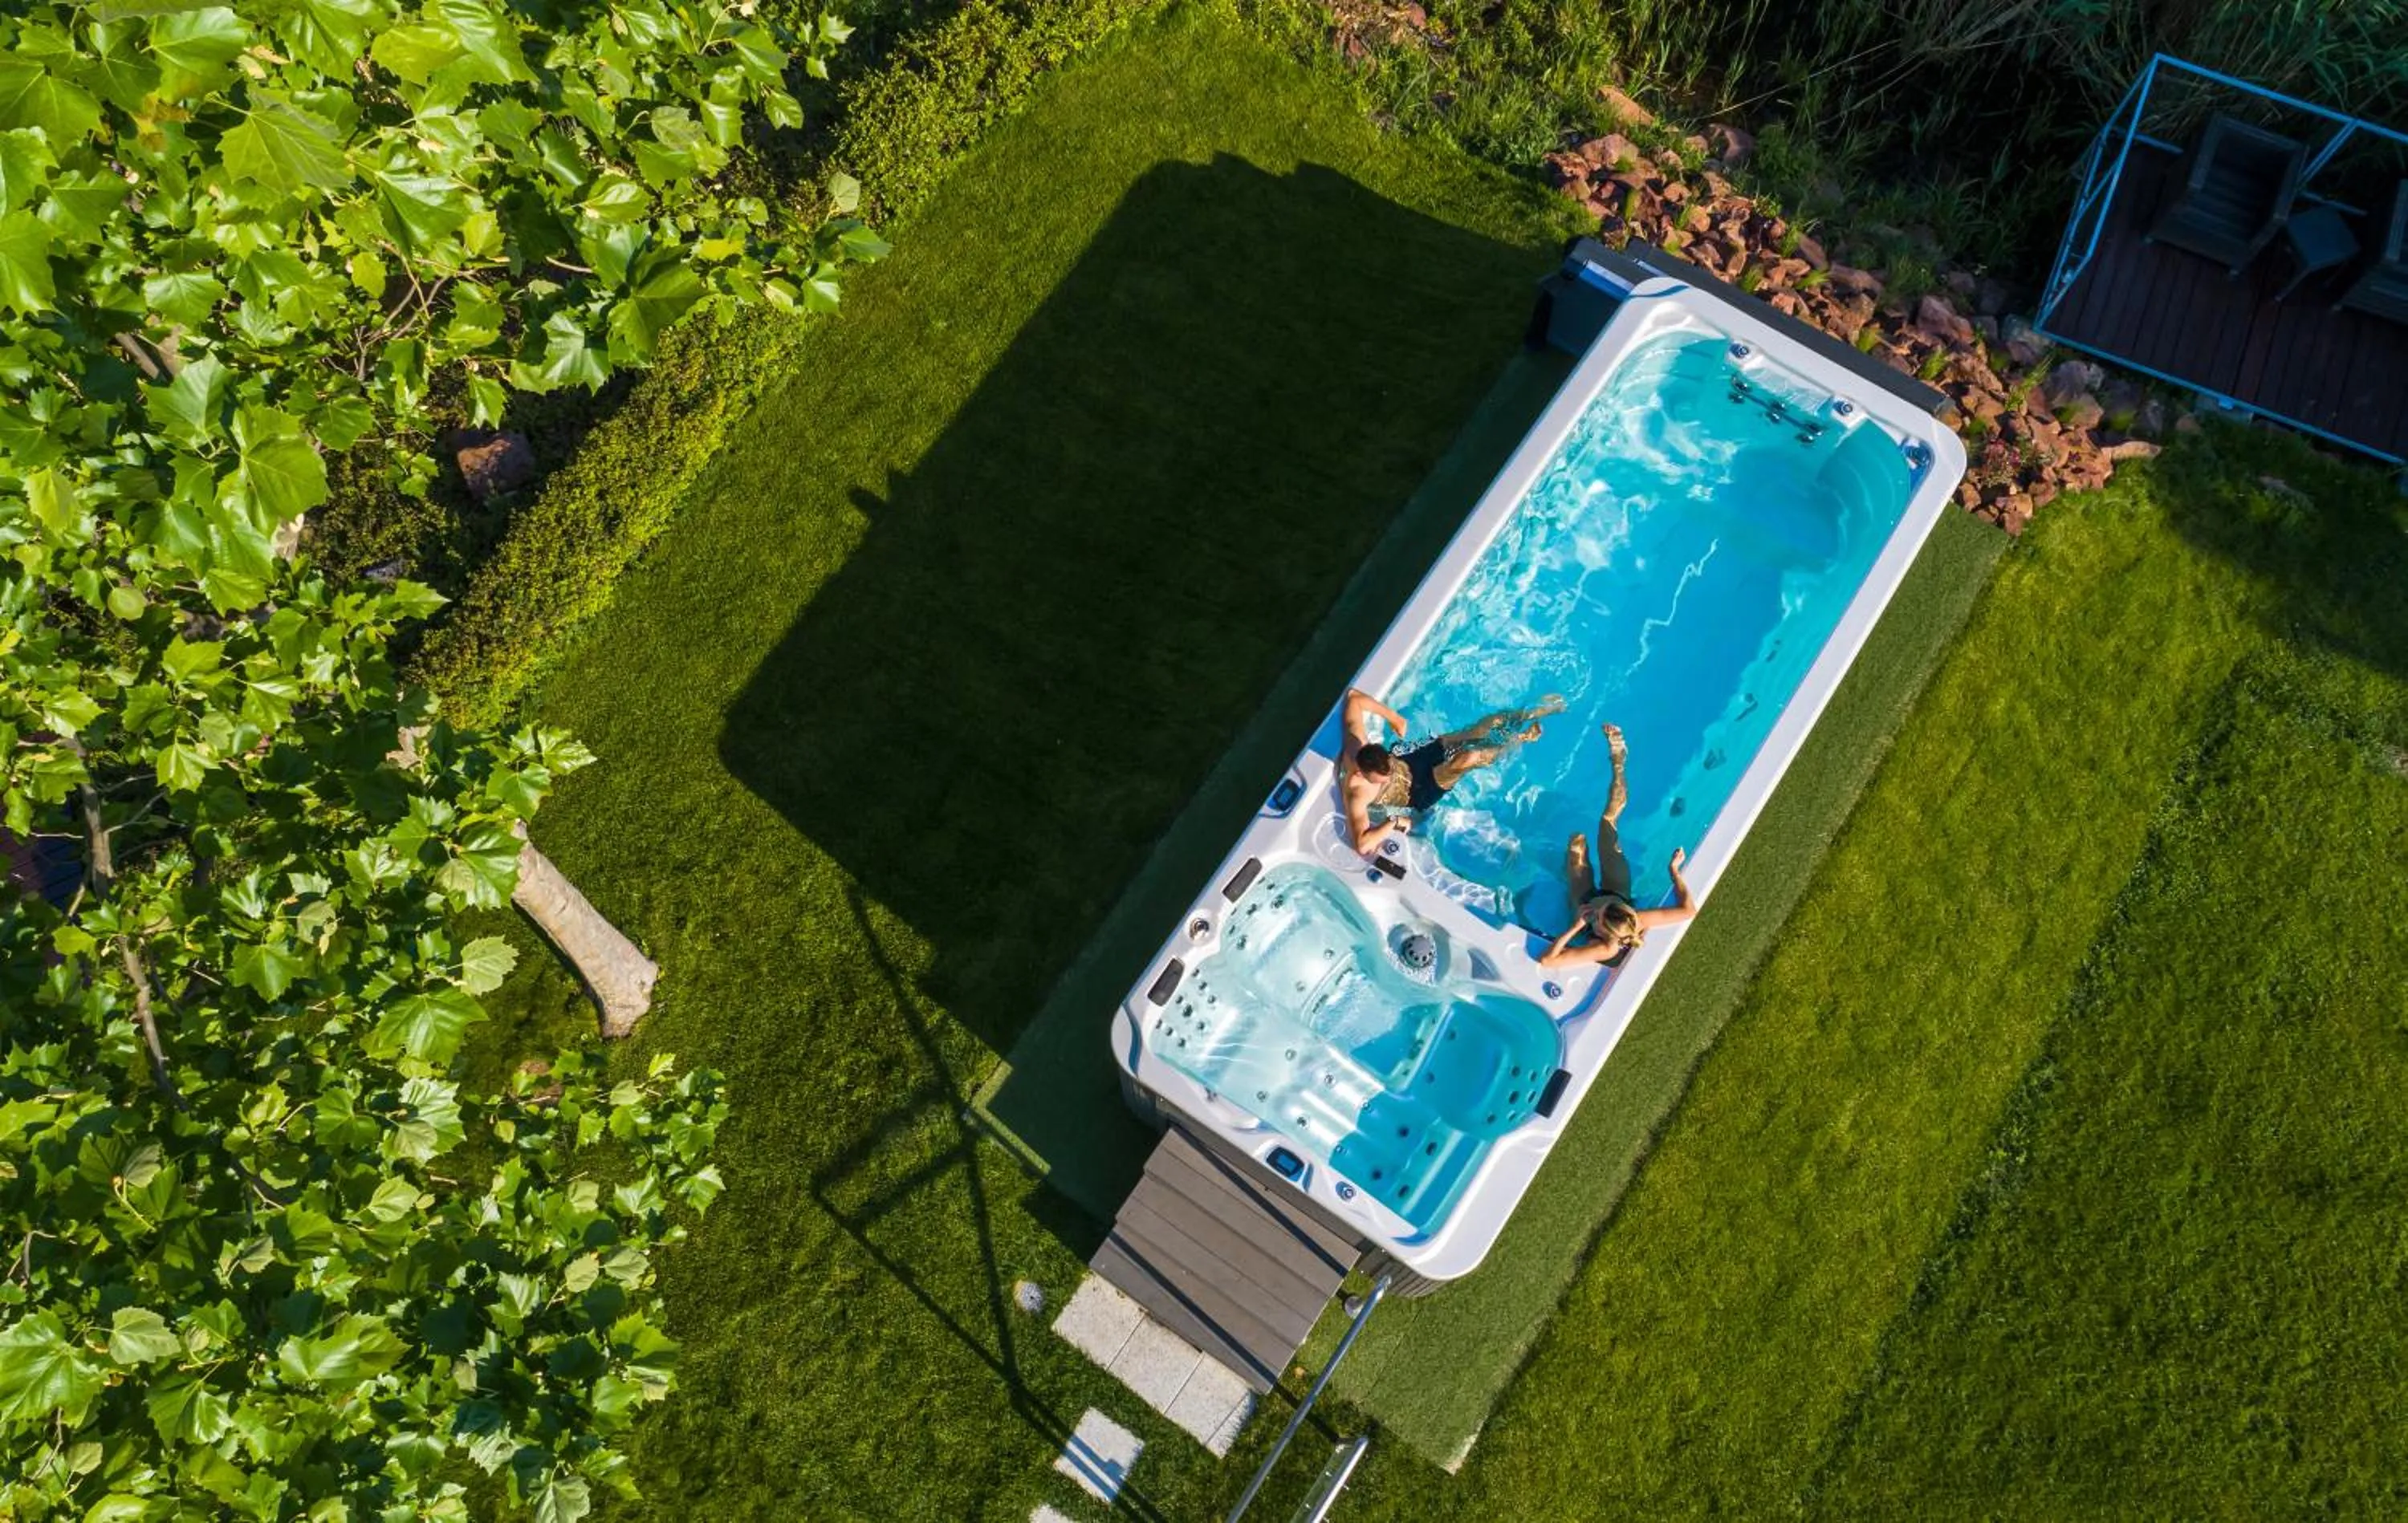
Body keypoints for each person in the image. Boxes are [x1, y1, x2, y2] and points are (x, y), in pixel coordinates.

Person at [1540, 723, 1698, 968]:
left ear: (1602, 930)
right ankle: (1618, 762)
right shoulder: (1636, 919)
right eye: (1607, 908)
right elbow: (1688, 911)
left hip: (1581, 904)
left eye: (1600, 914)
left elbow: (1549, 961)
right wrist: (1674, 872)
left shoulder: (1603, 947)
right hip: (1617, 891)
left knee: (1576, 845)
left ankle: (1568, 870)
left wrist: (1577, 925)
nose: (1600, 906)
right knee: (1608, 823)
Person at [1338, 686, 1560, 856]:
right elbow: (1363, 845)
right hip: (1417, 792)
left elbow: (1354, 698)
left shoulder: (1357, 746)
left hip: (1411, 761)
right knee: (1468, 757)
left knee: (1483, 728)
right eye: (1381, 779)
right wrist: (1394, 822)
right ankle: (1520, 739)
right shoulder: (1357, 792)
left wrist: (1394, 718)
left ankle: (1530, 713)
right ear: (1362, 773)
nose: (1387, 777)